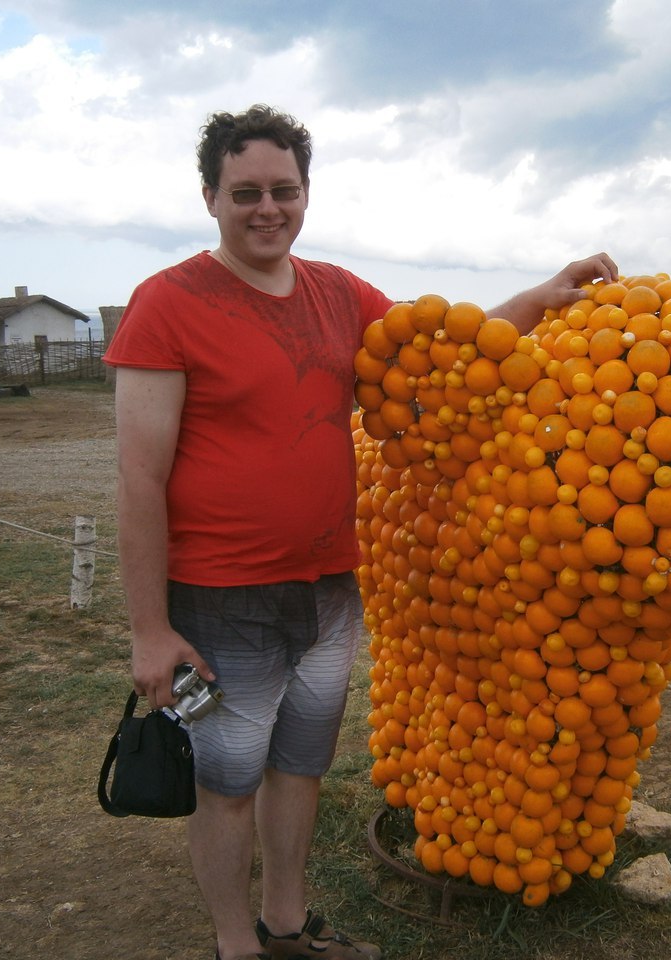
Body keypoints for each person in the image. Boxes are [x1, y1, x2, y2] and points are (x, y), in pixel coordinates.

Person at [102, 103, 618, 960]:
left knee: (299, 771)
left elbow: (447, 354)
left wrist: (538, 297)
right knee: (227, 785)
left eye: (284, 191)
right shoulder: (168, 304)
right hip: (221, 596)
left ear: (306, 194)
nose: (267, 208)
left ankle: (288, 927)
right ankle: (238, 947)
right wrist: (151, 630)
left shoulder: (339, 295)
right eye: (247, 193)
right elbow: (138, 478)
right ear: (209, 197)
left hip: (329, 588)